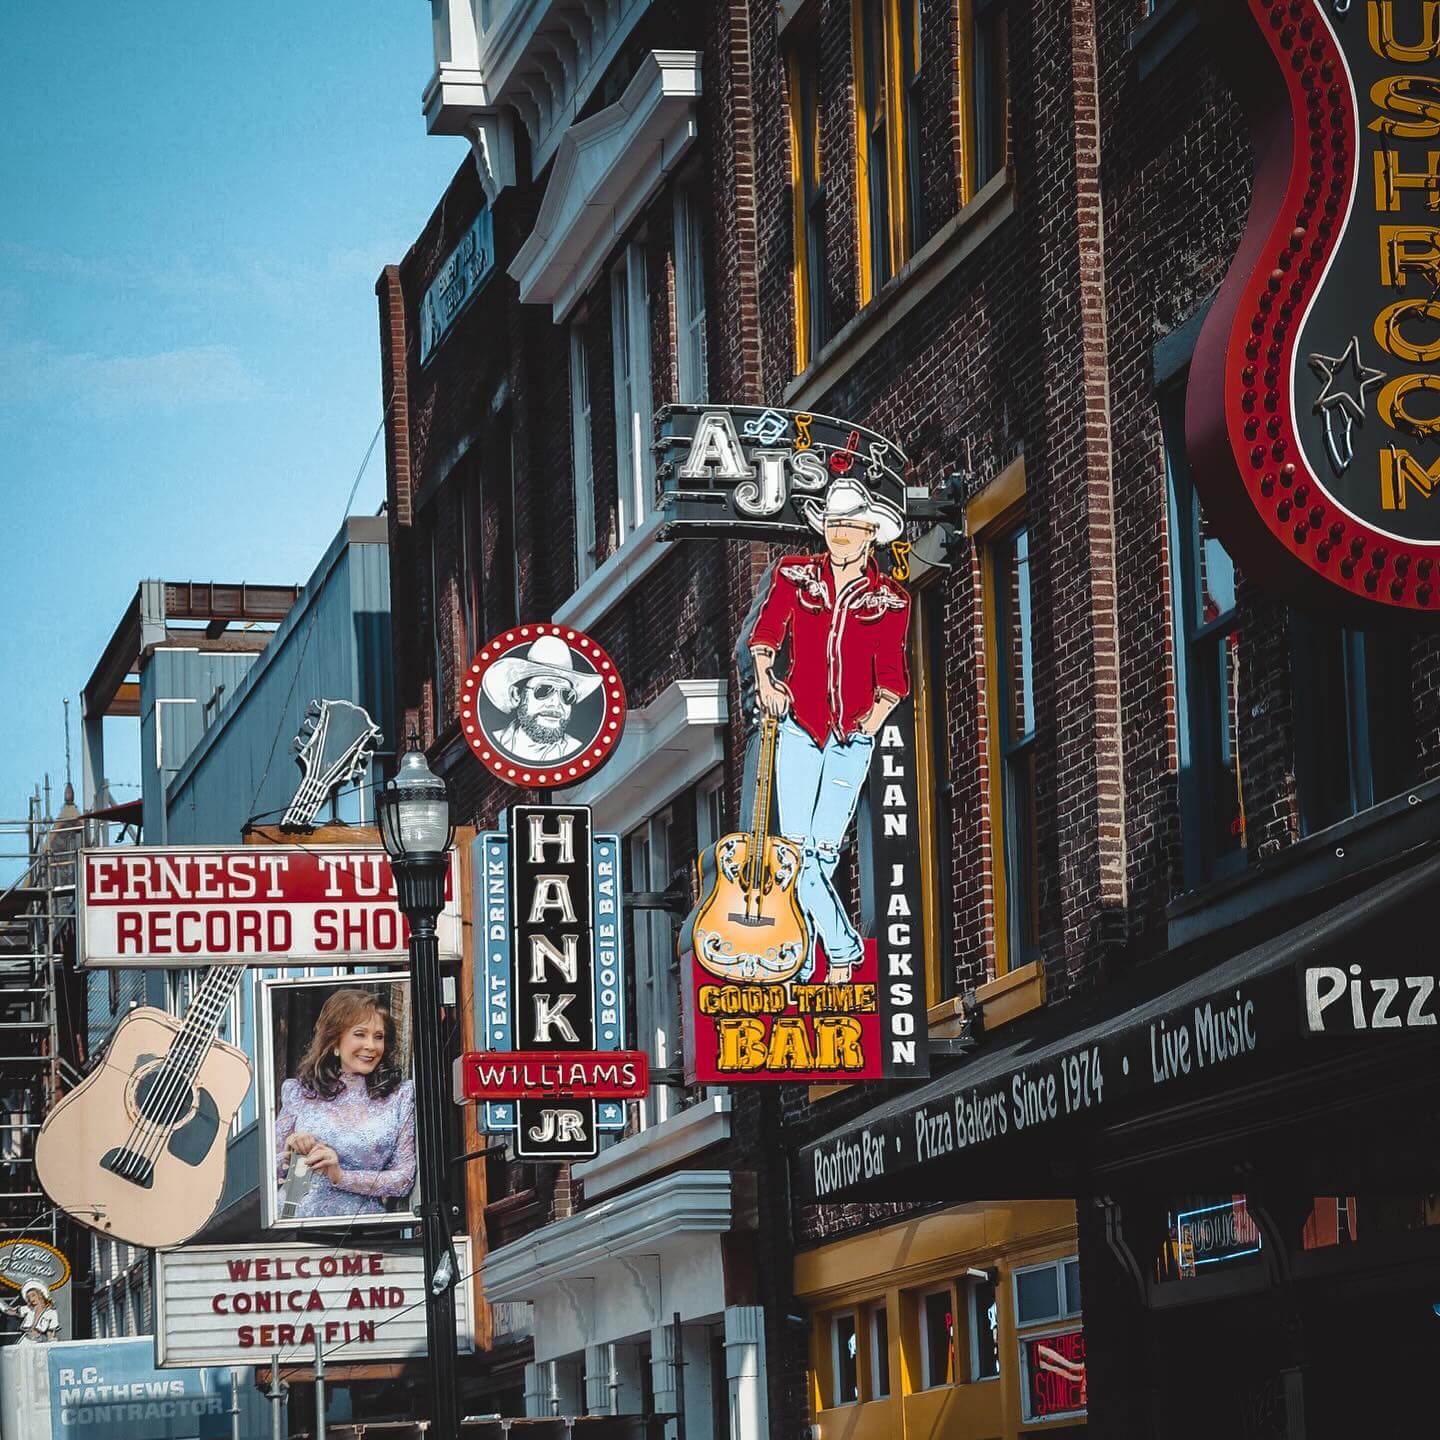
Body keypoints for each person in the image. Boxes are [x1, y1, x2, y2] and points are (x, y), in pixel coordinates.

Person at [749, 477, 911, 983]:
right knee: (796, 856)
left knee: (821, 854)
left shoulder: (891, 601)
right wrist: (766, 681)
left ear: (870, 535)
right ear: (826, 529)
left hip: (851, 740)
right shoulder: (796, 577)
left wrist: (873, 720)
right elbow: (767, 632)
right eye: (835, 524)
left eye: (852, 526)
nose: (841, 534)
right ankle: (839, 954)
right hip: (799, 729)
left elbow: (892, 677)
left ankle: (816, 958)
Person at [274, 987, 416, 1222]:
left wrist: (340, 1175)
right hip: (294, 1228)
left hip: (367, 1233)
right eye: (360, 1034)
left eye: (378, 1037)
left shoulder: (399, 1096)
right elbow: (271, 1175)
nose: (371, 1045)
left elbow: (404, 1179)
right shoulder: (299, 1093)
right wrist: (289, 1151)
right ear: (335, 1042)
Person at [480, 634, 601, 762]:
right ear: (516, 695)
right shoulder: (497, 741)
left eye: (566, 696)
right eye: (543, 691)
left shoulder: (574, 749)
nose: (556, 703)